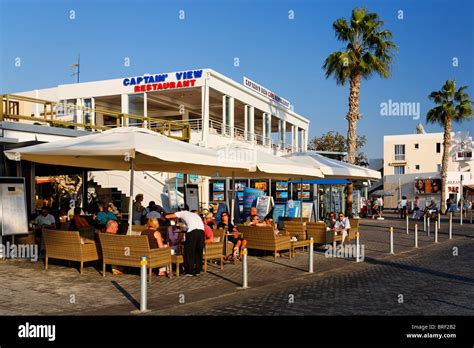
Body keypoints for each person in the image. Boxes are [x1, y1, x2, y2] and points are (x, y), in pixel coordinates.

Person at [164, 208, 204, 277]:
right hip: (201, 232)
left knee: (189, 251)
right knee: (198, 251)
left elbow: (168, 216)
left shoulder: (182, 213)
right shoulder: (194, 215)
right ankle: (198, 270)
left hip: (193, 232)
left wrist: (163, 216)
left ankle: (189, 271)